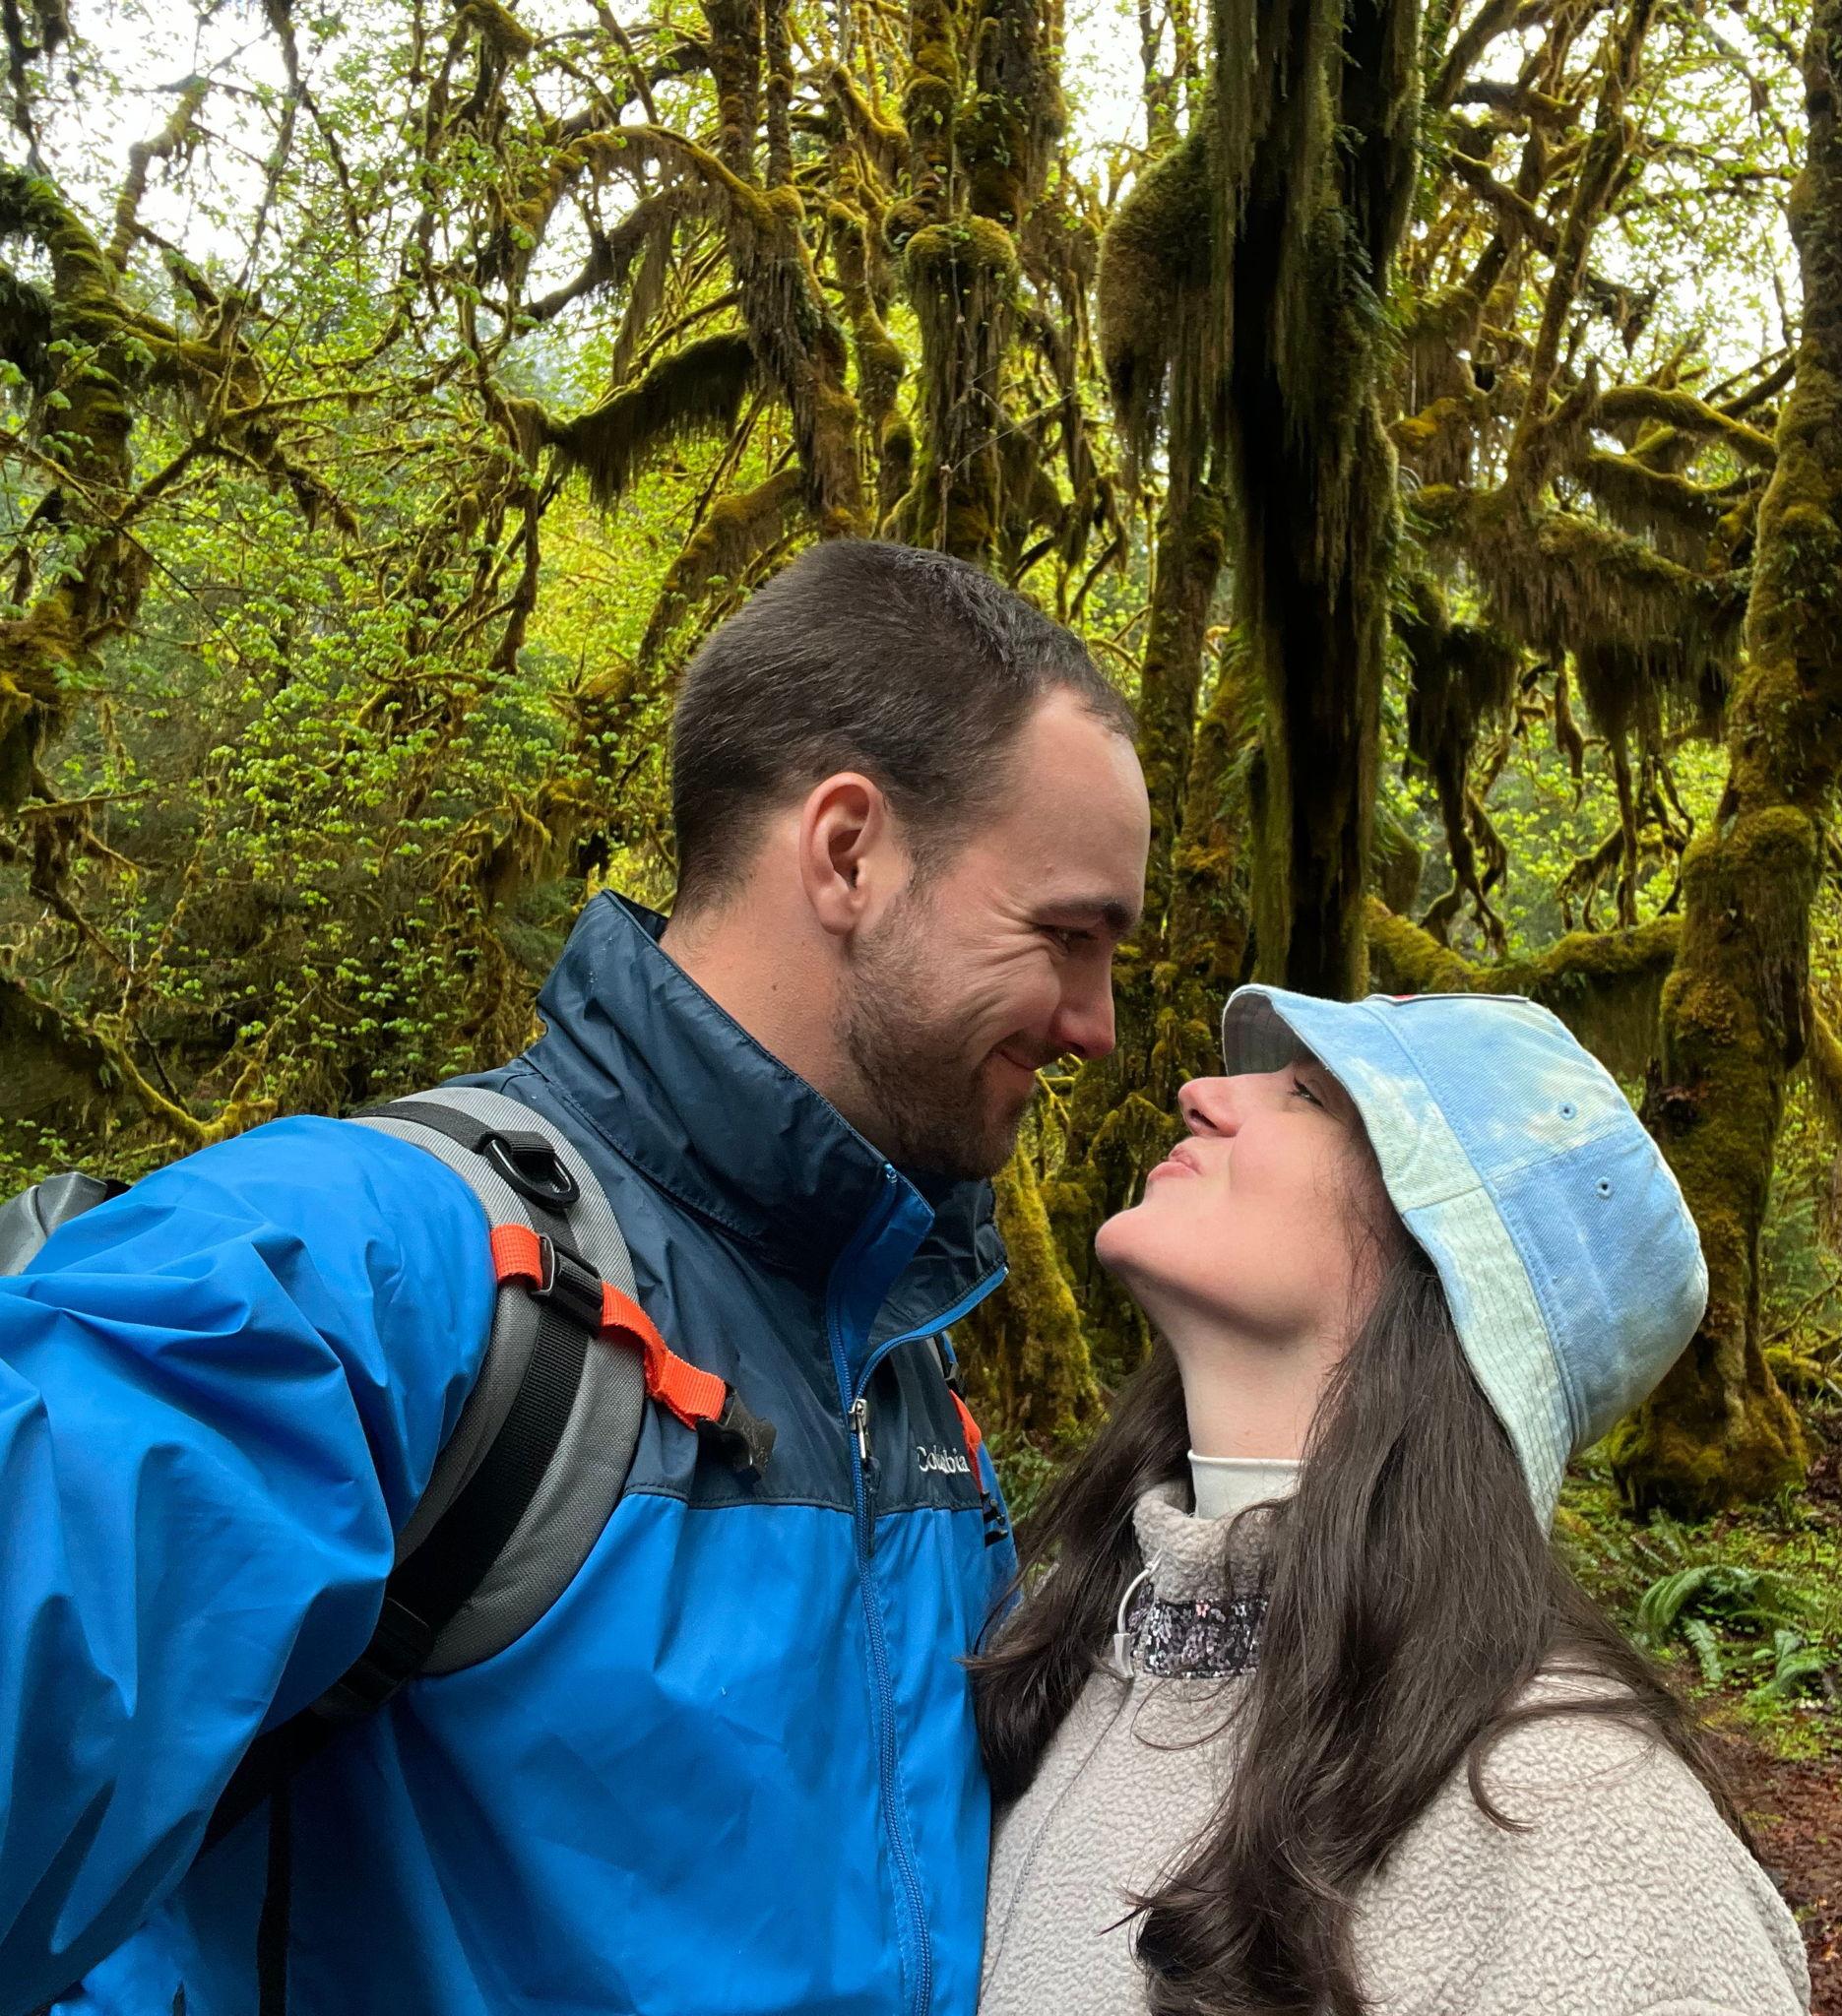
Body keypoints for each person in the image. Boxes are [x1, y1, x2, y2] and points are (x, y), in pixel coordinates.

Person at [0, 539, 1151, 2016]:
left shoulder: (910, 1388)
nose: (1096, 1025)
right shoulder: (369, 1267)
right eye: (1065, 937)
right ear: (848, 853)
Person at [975, 986, 1811, 2016]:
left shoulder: (1585, 1822)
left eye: (1307, 1096)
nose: (1197, 1094)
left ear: (1450, 1270)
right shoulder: (1054, 1665)